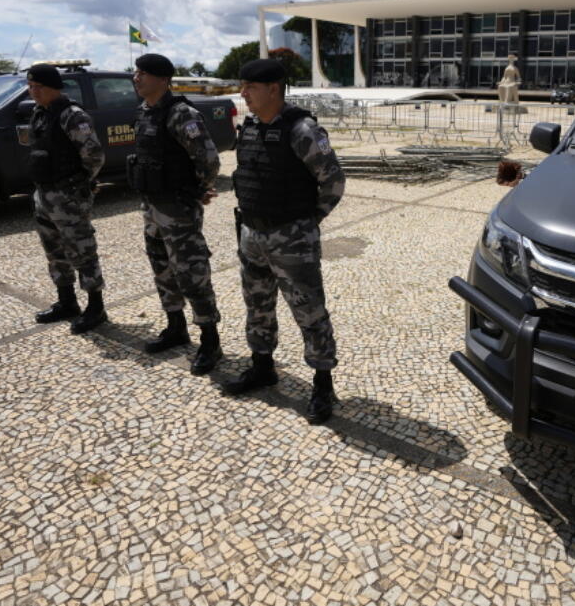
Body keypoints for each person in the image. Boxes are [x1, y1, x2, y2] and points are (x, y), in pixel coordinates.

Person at [224, 58, 345, 424]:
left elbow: (334, 182)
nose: (242, 93)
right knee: (257, 305)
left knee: (309, 311)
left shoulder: (303, 130)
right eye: (242, 86)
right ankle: (262, 366)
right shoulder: (249, 128)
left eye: (250, 87)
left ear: (273, 89)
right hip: (252, 235)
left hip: (291, 237)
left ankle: (323, 385)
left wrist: (307, 222)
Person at [129, 53, 224, 374]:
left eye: (142, 73)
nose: (136, 78)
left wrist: (197, 192)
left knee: (191, 272)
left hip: (178, 208)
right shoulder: (144, 112)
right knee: (161, 266)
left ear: (162, 79)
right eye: (136, 72)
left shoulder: (181, 114)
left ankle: (210, 340)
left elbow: (209, 160)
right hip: (152, 206)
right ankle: (175, 326)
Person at [25, 63, 108, 334]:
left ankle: (96, 307)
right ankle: (67, 301)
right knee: (54, 251)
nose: (32, 91)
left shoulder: (72, 116)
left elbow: (94, 155)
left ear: (52, 88)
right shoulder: (39, 113)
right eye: (30, 86)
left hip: (68, 195)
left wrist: (79, 184)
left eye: (37, 87)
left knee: (82, 251)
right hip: (44, 194)